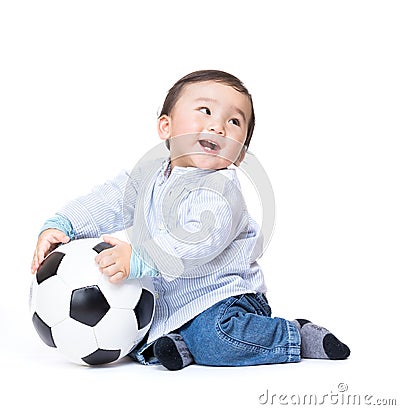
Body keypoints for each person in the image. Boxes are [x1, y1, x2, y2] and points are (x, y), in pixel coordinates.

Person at [31, 70, 350, 370]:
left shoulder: (222, 191)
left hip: (224, 299)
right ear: (165, 127)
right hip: (170, 303)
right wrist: (63, 224)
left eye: (234, 121)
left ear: (238, 155)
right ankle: (179, 344)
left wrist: (142, 258)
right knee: (141, 336)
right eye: (205, 111)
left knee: (217, 339)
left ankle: (294, 335)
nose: (218, 127)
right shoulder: (149, 176)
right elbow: (109, 200)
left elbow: (197, 240)